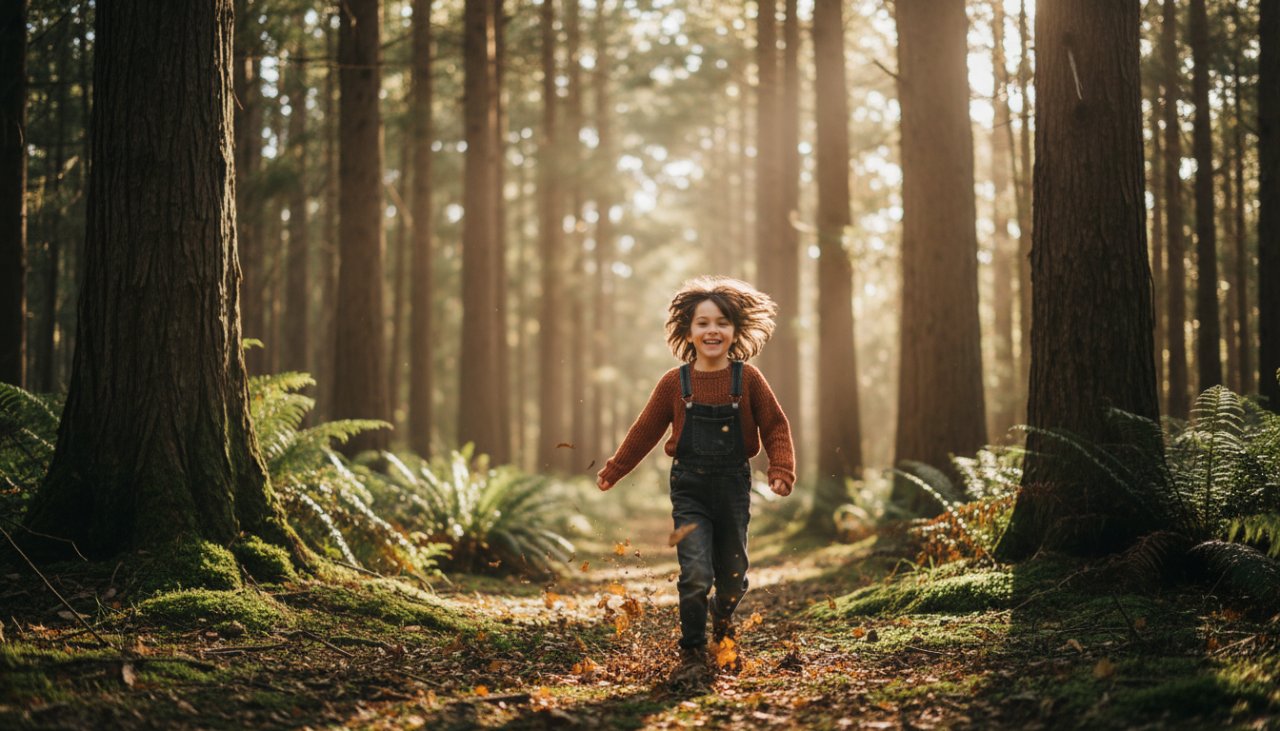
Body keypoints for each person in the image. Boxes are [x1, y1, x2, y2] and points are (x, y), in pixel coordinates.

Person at [596, 276, 796, 680]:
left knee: (734, 577)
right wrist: (614, 470)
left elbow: (775, 425)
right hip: (689, 487)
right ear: (688, 331)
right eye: (703, 323)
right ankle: (691, 654)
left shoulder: (749, 380)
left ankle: (722, 628)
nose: (712, 330)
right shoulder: (675, 383)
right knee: (696, 574)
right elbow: (645, 431)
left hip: (733, 487)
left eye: (721, 322)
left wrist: (781, 469)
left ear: (735, 331)